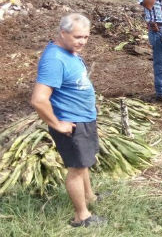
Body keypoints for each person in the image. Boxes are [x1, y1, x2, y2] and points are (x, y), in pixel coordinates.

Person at [30, 13, 106, 228]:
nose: (82, 42)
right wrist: (57, 124)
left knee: (83, 163)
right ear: (62, 33)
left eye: (86, 37)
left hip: (83, 118)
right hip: (71, 123)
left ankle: (89, 196)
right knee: (76, 168)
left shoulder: (69, 52)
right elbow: (38, 99)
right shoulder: (54, 59)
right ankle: (81, 217)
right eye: (77, 37)